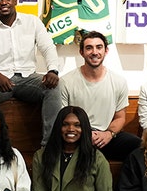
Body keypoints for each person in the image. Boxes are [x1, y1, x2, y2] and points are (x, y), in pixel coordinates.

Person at [0, 0, 62, 144]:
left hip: (29, 79)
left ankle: (49, 145)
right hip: (1, 82)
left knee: (56, 84)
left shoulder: (32, 22)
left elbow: (48, 47)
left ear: (15, 1)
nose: (4, 2)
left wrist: (53, 70)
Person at [59, 30, 140, 161]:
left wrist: (109, 134)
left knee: (139, 146)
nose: (94, 52)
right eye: (89, 48)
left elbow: (120, 118)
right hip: (77, 136)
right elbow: (62, 119)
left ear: (106, 51)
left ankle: (125, 182)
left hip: (106, 136)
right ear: (81, 52)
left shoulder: (119, 82)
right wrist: (84, 134)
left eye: (99, 47)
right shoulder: (66, 82)